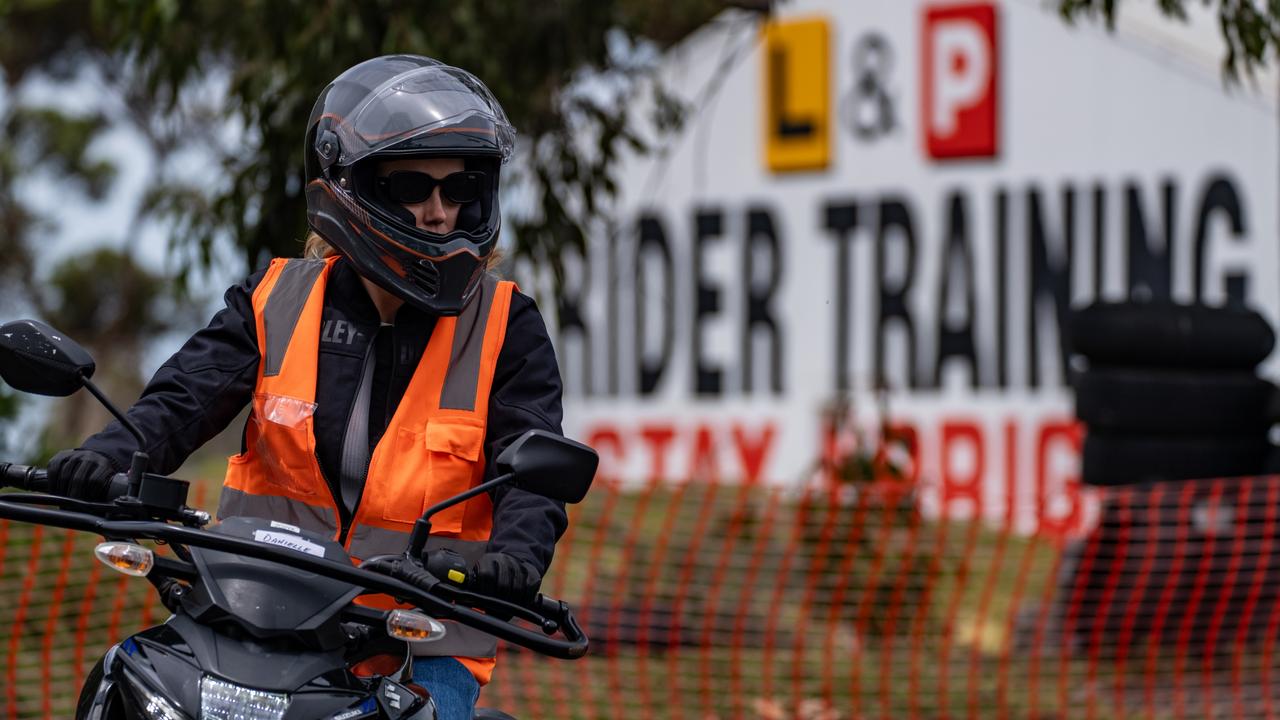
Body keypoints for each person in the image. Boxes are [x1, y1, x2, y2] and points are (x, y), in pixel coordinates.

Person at [46, 54, 567, 719]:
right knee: (126, 685)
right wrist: (108, 455)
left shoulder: (505, 328)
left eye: (462, 187)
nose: (440, 212)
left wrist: (514, 559)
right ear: (350, 190)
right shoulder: (274, 303)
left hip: (418, 642)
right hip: (254, 627)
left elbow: (535, 467)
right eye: (411, 185)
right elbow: (178, 401)